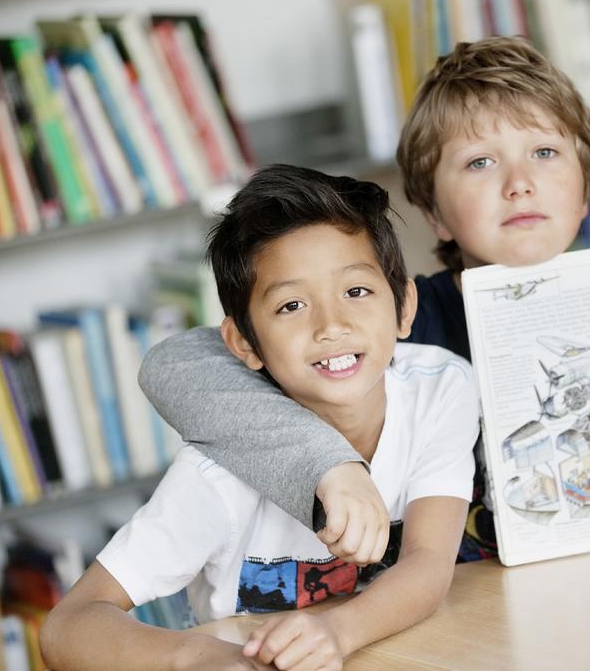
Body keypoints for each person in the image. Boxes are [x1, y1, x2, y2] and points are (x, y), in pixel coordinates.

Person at [138, 36, 590, 564]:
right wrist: (328, 465)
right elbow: (175, 364)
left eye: (545, 153)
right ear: (434, 215)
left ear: (585, 191)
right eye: (479, 162)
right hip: (461, 599)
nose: (518, 182)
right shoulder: (390, 316)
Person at [40, 165, 478, 671]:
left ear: (403, 307)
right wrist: (203, 658)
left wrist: (336, 633)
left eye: (356, 292)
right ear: (244, 343)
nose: (331, 325)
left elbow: (428, 563)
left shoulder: (440, 391)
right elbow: (65, 627)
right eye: (291, 305)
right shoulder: (216, 475)